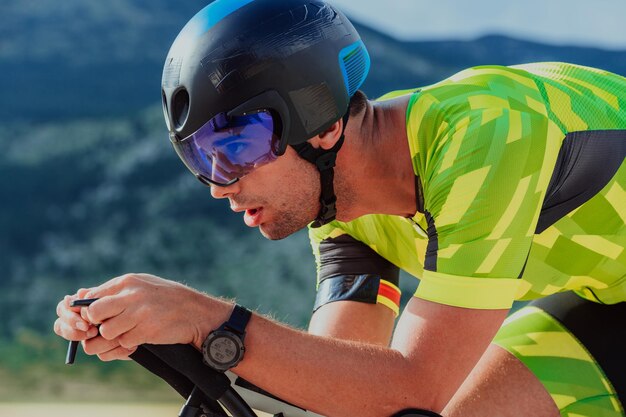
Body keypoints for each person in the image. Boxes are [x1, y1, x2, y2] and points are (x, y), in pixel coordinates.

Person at [54, 0, 626, 416]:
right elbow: (344, 388)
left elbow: (412, 386)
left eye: (236, 150)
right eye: (201, 160)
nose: (217, 185)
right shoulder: (339, 209)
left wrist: (204, 319)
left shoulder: (485, 140)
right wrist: (171, 335)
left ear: (321, 128)